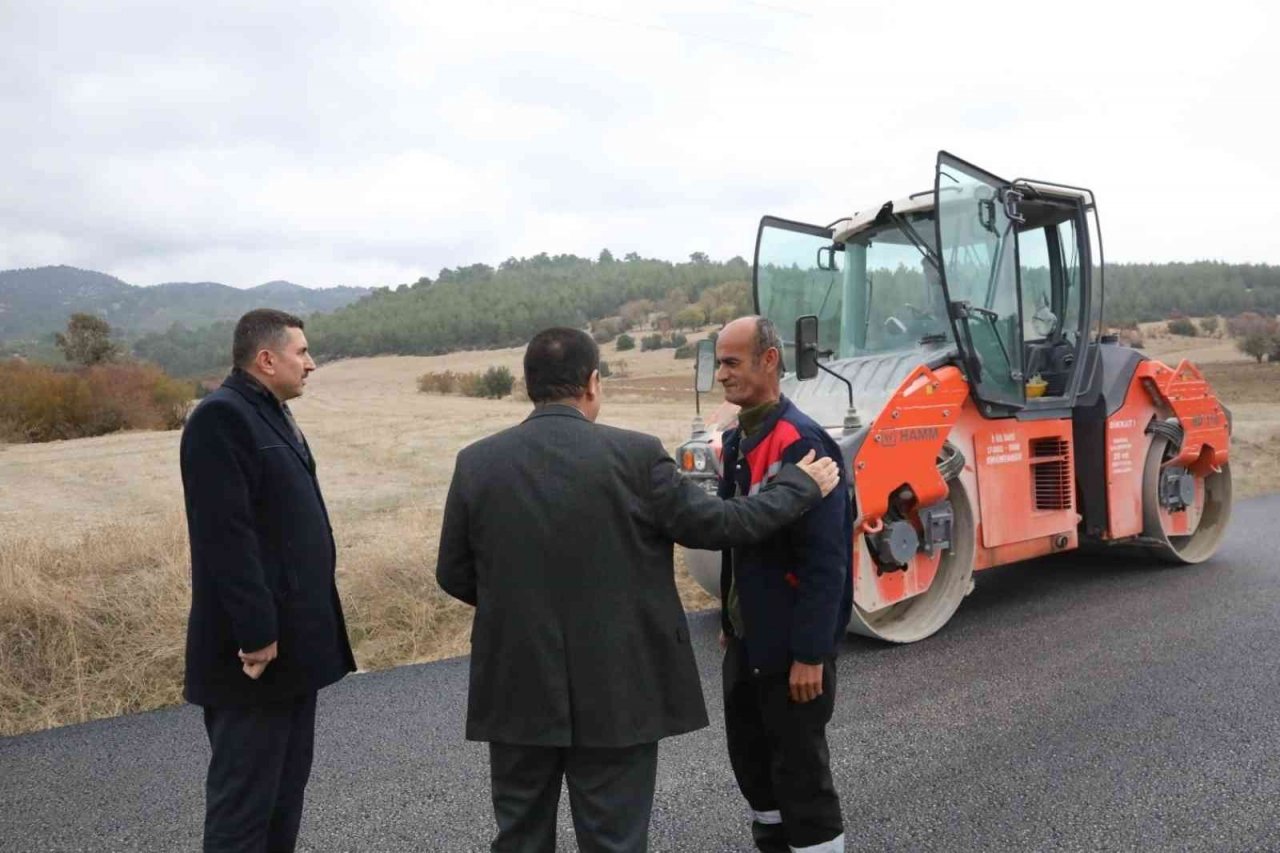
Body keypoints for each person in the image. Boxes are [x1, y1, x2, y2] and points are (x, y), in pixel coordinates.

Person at [436, 327, 841, 853]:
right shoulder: (637, 457)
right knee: (614, 839)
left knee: (519, 836)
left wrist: (521, 605)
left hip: (515, 687)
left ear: (529, 385)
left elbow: (454, 573)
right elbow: (721, 525)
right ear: (592, 382)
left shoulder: (476, 463)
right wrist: (799, 488)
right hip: (619, 688)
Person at [180, 308, 356, 853]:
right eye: (301, 352)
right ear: (266, 359)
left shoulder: (271, 413)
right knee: (244, 809)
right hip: (253, 658)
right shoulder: (221, 418)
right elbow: (225, 536)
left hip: (292, 653)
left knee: (283, 797)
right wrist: (256, 633)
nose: (311, 363)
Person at [714, 316, 853, 853]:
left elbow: (826, 560)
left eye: (732, 362)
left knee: (801, 781)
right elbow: (736, 538)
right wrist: (730, 621)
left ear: (769, 360)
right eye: (719, 363)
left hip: (790, 650)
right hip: (748, 643)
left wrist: (811, 654)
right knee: (755, 770)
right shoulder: (736, 440)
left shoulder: (802, 442)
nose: (721, 374)